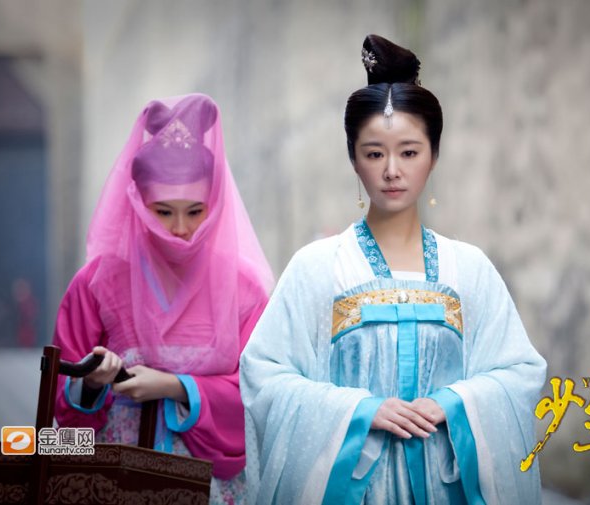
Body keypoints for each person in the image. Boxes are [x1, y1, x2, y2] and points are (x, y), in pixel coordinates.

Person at [240, 34, 547, 504]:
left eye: (408, 151)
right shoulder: (316, 268)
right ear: (353, 159)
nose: (391, 171)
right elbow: (265, 373)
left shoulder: (469, 269)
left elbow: (519, 372)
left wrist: (453, 404)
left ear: (434, 156)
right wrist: (358, 412)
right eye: (374, 153)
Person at [52, 93, 273, 504]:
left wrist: (176, 387)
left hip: (209, 486)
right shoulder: (97, 283)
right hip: (113, 480)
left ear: (215, 203)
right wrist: (91, 381)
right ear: (137, 202)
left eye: (196, 211)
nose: (181, 228)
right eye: (164, 211)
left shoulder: (244, 288)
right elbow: (59, 391)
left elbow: (261, 391)